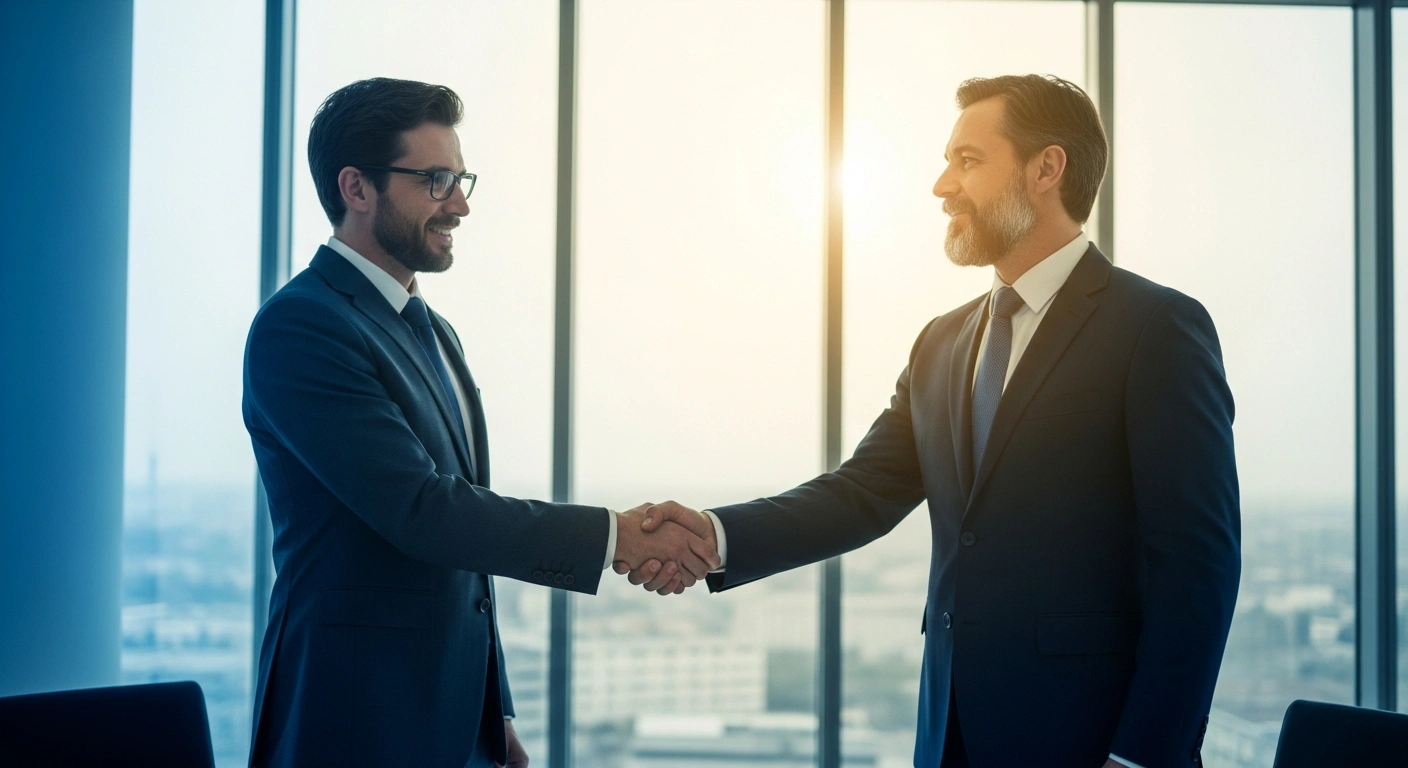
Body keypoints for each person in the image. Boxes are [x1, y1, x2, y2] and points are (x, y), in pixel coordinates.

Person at [621, 74, 1240, 768]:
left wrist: (1142, 756)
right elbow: (861, 495)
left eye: (968, 160)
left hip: (1089, 742)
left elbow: (1198, 563)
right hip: (949, 737)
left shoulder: (1155, 328)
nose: (942, 186)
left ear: (1047, 168)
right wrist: (715, 535)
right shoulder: (942, 342)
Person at [242, 77, 719, 768]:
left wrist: (493, 714)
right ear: (356, 188)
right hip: (354, 716)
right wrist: (616, 535)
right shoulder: (302, 327)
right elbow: (423, 512)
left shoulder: (434, 331)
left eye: (461, 178)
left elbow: (464, 563)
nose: (460, 204)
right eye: (436, 180)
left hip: (454, 717)